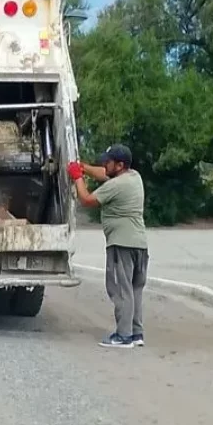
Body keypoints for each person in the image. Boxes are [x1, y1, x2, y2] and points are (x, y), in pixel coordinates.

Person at [68, 144, 148, 349]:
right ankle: (136, 332)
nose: (104, 164)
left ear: (119, 165)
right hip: (139, 244)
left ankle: (123, 336)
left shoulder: (115, 186)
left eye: (108, 162)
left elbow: (86, 199)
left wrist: (77, 177)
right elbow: (104, 174)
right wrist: (83, 167)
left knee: (121, 290)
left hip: (121, 244)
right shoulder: (134, 177)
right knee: (134, 290)